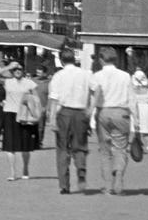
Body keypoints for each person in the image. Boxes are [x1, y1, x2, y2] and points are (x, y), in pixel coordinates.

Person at [87, 48, 135, 195]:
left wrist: (89, 117)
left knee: (105, 150)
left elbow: (93, 98)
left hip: (103, 112)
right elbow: (132, 100)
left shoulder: (96, 76)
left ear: (101, 60)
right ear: (115, 60)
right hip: (121, 113)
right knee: (120, 148)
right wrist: (136, 121)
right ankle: (119, 175)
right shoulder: (125, 76)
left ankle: (108, 186)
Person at [48, 48, 91, 194]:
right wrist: (89, 112)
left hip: (64, 113)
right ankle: (81, 169)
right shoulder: (85, 74)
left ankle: (64, 185)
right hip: (80, 113)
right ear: (75, 59)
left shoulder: (58, 76)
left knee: (62, 149)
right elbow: (93, 92)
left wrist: (52, 119)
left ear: (61, 60)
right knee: (80, 146)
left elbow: (54, 99)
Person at [0, 64, 39, 180]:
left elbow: (36, 100)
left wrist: (36, 114)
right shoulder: (8, 82)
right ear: (12, 71)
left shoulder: (29, 83)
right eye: (15, 69)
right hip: (10, 114)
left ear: (23, 71)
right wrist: (8, 67)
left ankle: (25, 168)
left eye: (20, 69)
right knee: (9, 145)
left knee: (25, 145)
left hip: (24, 115)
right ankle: (12, 172)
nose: (18, 71)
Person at [30, 65, 51, 149]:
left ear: (45, 73)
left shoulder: (49, 83)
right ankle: (32, 141)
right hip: (32, 106)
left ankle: (39, 142)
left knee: (41, 127)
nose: (38, 74)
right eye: (37, 72)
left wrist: (47, 108)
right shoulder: (32, 81)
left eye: (40, 72)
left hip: (42, 107)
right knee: (31, 125)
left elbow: (51, 96)